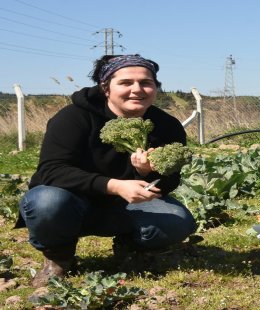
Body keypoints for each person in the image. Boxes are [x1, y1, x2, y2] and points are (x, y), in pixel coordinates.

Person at [17, 54, 196, 287]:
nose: (137, 89)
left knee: (177, 222)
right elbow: (52, 171)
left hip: (125, 208)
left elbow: (170, 181)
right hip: (70, 202)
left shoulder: (166, 125)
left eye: (146, 83)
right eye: (125, 83)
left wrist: (146, 174)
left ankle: (130, 247)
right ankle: (58, 258)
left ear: (155, 87)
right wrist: (114, 185)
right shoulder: (74, 117)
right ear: (105, 88)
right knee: (47, 201)